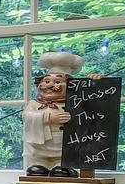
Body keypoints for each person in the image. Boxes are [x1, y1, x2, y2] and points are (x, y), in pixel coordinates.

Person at [22, 49, 82, 177]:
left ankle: (60, 165)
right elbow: (26, 116)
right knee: (37, 170)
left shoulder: (74, 102)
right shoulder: (34, 103)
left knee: (61, 170)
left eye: (58, 82)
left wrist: (96, 82)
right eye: (47, 81)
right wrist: (47, 117)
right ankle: (40, 164)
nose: (50, 85)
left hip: (64, 148)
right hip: (39, 148)